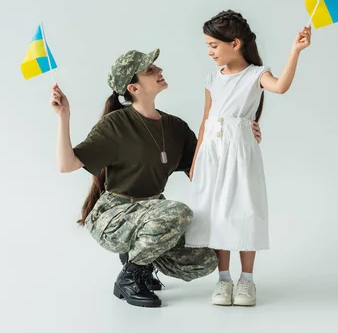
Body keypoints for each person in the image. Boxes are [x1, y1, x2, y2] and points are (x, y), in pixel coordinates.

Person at [50, 48, 264, 308]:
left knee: (208, 258)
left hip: (153, 214)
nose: (159, 71)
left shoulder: (175, 128)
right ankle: (131, 276)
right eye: (150, 70)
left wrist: (241, 134)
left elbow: (205, 170)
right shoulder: (116, 124)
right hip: (115, 215)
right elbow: (67, 164)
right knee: (178, 212)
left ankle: (142, 259)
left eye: (156, 67)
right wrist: (64, 117)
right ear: (134, 88)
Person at [185, 10, 312, 306]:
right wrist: (195, 160)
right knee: (216, 213)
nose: (209, 51)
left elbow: (280, 86)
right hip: (212, 153)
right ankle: (224, 280)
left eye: (213, 45)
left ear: (235, 43)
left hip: (239, 151)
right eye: (207, 45)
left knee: (242, 208)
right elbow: (206, 120)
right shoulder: (211, 79)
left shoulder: (256, 74)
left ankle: (247, 281)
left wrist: (295, 51)